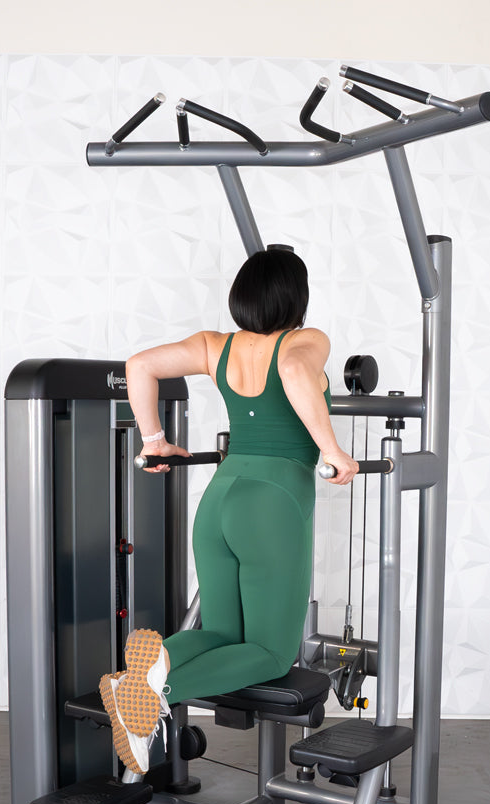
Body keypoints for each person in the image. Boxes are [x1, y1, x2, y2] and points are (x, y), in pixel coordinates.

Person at [98, 248, 358, 775]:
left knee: (219, 631)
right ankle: (146, 695)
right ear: (297, 297)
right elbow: (290, 367)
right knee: (269, 652)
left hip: (219, 500)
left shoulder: (213, 346)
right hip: (272, 504)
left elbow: (139, 366)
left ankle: (146, 671)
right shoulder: (306, 341)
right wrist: (331, 450)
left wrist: (155, 441)